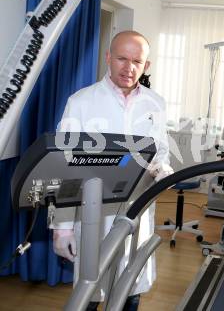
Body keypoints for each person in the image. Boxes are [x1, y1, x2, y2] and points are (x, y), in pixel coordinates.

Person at [51, 30, 173, 310]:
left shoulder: (156, 103)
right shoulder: (81, 102)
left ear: (146, 66)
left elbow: (159, 150)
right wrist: (62, 227)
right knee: (90, 294)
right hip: (94, 214)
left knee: (131, 289)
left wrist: (161, 168)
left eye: (136, 62)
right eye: (121, 58)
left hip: (136, 212)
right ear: (108, 57)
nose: (128, 68)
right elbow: (63, 165)